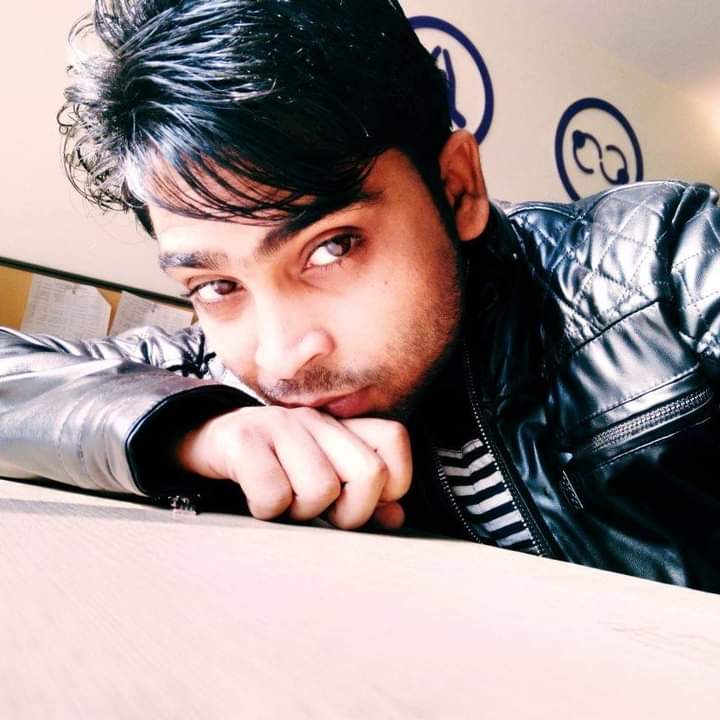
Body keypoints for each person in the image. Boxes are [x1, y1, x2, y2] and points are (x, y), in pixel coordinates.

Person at [1, 0, 719, 592]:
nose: (281, 356)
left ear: (457, 189)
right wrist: (197, 432)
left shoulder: (664, 260)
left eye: (332, 246)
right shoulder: (220, 375)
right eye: (217, 285)